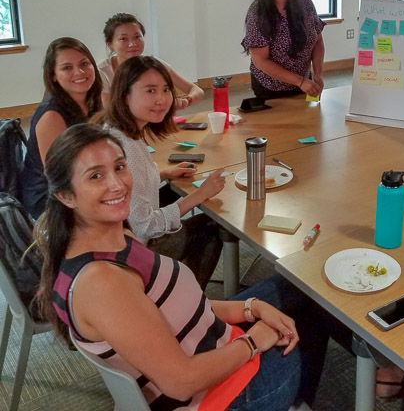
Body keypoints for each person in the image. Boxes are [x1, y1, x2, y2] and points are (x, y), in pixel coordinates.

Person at [34, 123, 321, 410]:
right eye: (96, 175)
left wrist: (252, 307)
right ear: (65, 196)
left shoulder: (112, 237)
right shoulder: (102, 282)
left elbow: (176, 304)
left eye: (120, 167)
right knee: (315, 307)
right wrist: (253, 341)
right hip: (220, 397)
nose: (117, 184)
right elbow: (181, 381)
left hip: (210, 340)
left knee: (300, 287)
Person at [103, 55, 224, 288]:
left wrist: (165, 173)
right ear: (125, 95)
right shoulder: (125, 147)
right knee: (211, 228)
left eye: (166, 90)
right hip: (135, 250)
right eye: (150, 91)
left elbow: (132, 184)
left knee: (174, 194)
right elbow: (145, 227)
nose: (161, 100)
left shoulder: (118, 130)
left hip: (120, 237)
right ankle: (187, 303)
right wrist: (200, 194)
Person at [20, 37, 102, 219]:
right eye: (67, 68)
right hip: (50, 199)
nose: (79, 72)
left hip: (84, 180)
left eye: (84, 64)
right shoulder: (51, 116)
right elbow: (58, 177)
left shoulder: (94, 102)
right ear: (53, 76)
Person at [242, 0, 325, 100]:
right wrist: (300, 81)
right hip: (270, 87)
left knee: (308, 121)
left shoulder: (305, 1)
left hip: (305, 82)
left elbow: (318, 41)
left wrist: (318, 73)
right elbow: (260, 60)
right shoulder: (257, 12)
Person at [98, 12, 204, 109]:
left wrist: (186, 100)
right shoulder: (103, 71)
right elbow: (109, 109)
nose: (133, 44)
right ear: (110, 45)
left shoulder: (154, 65)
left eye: (137, 37)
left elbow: (197, 91)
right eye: (123, 39)